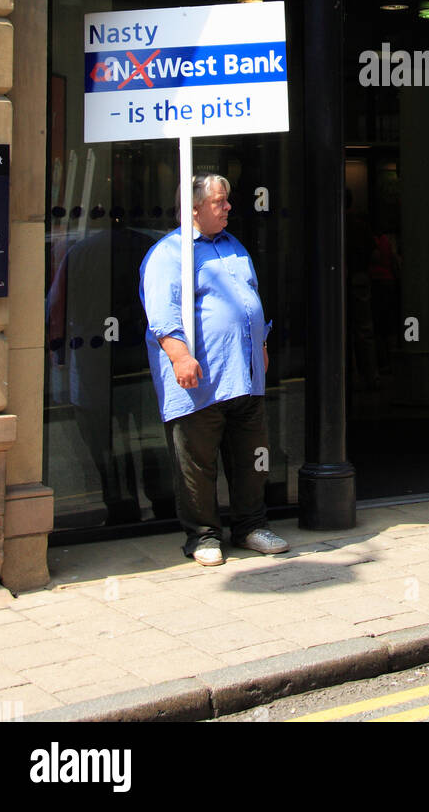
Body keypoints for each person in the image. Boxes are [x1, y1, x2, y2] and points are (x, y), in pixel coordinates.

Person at [139, 173, 288, 566]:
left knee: (252, 456)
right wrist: (179, 356)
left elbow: (249, 297)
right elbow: (162, 312)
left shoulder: (233, 245)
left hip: (245, 372)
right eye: (219, 201)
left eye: (226, 201)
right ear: (194, 209)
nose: (228, 207)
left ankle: (251, 526)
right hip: (201, 377)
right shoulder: (169, 254)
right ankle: (203, 536)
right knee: (197, 462)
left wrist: (263, 343)